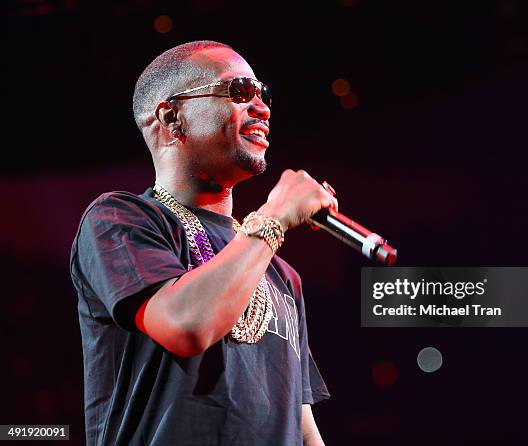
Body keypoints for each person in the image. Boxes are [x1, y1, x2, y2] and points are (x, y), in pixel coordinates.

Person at [69, 40, 337, 446]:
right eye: (239, 92)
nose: (262, 108)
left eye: (262, 94)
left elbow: (301, 426)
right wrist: (273, 218)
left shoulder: (281, 275)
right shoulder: (120, 220)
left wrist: (265, 231)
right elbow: (186, 326)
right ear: (172, 117)